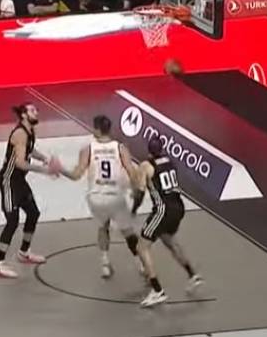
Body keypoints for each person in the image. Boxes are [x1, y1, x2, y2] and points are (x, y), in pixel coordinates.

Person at [59, 115, 144, 278]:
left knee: (103, 227)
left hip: (96, 197)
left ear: (96, 129)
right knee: (128, 231)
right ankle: (140, 264)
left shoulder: (88, 150)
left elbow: (76, 175)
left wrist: (60, 169)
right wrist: (136, 189)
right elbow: (132, 172)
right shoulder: (120, 148)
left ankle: (105, 264)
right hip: (115, 197)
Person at [0, 103, 63, 278]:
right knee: (12, 221)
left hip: (19, 181)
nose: (36, 112)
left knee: (33, 213)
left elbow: (30, 149)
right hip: (8, 181)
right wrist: (45, 170)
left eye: (36, 110)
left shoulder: (30, 131)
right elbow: (20, 163)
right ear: (23, 115)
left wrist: (44, 158)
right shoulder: (20, 133)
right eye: (32, 110)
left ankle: (24, 252)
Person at [132, 138, 204, 307]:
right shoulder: (170, 162)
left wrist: (133, 209)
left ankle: (157, 290)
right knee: (169, 241)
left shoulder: (146, 166)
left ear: (149, 151)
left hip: (163, 210)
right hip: (178, 208)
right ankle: (193, 275)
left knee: (141, 247)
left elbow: (140, 193)